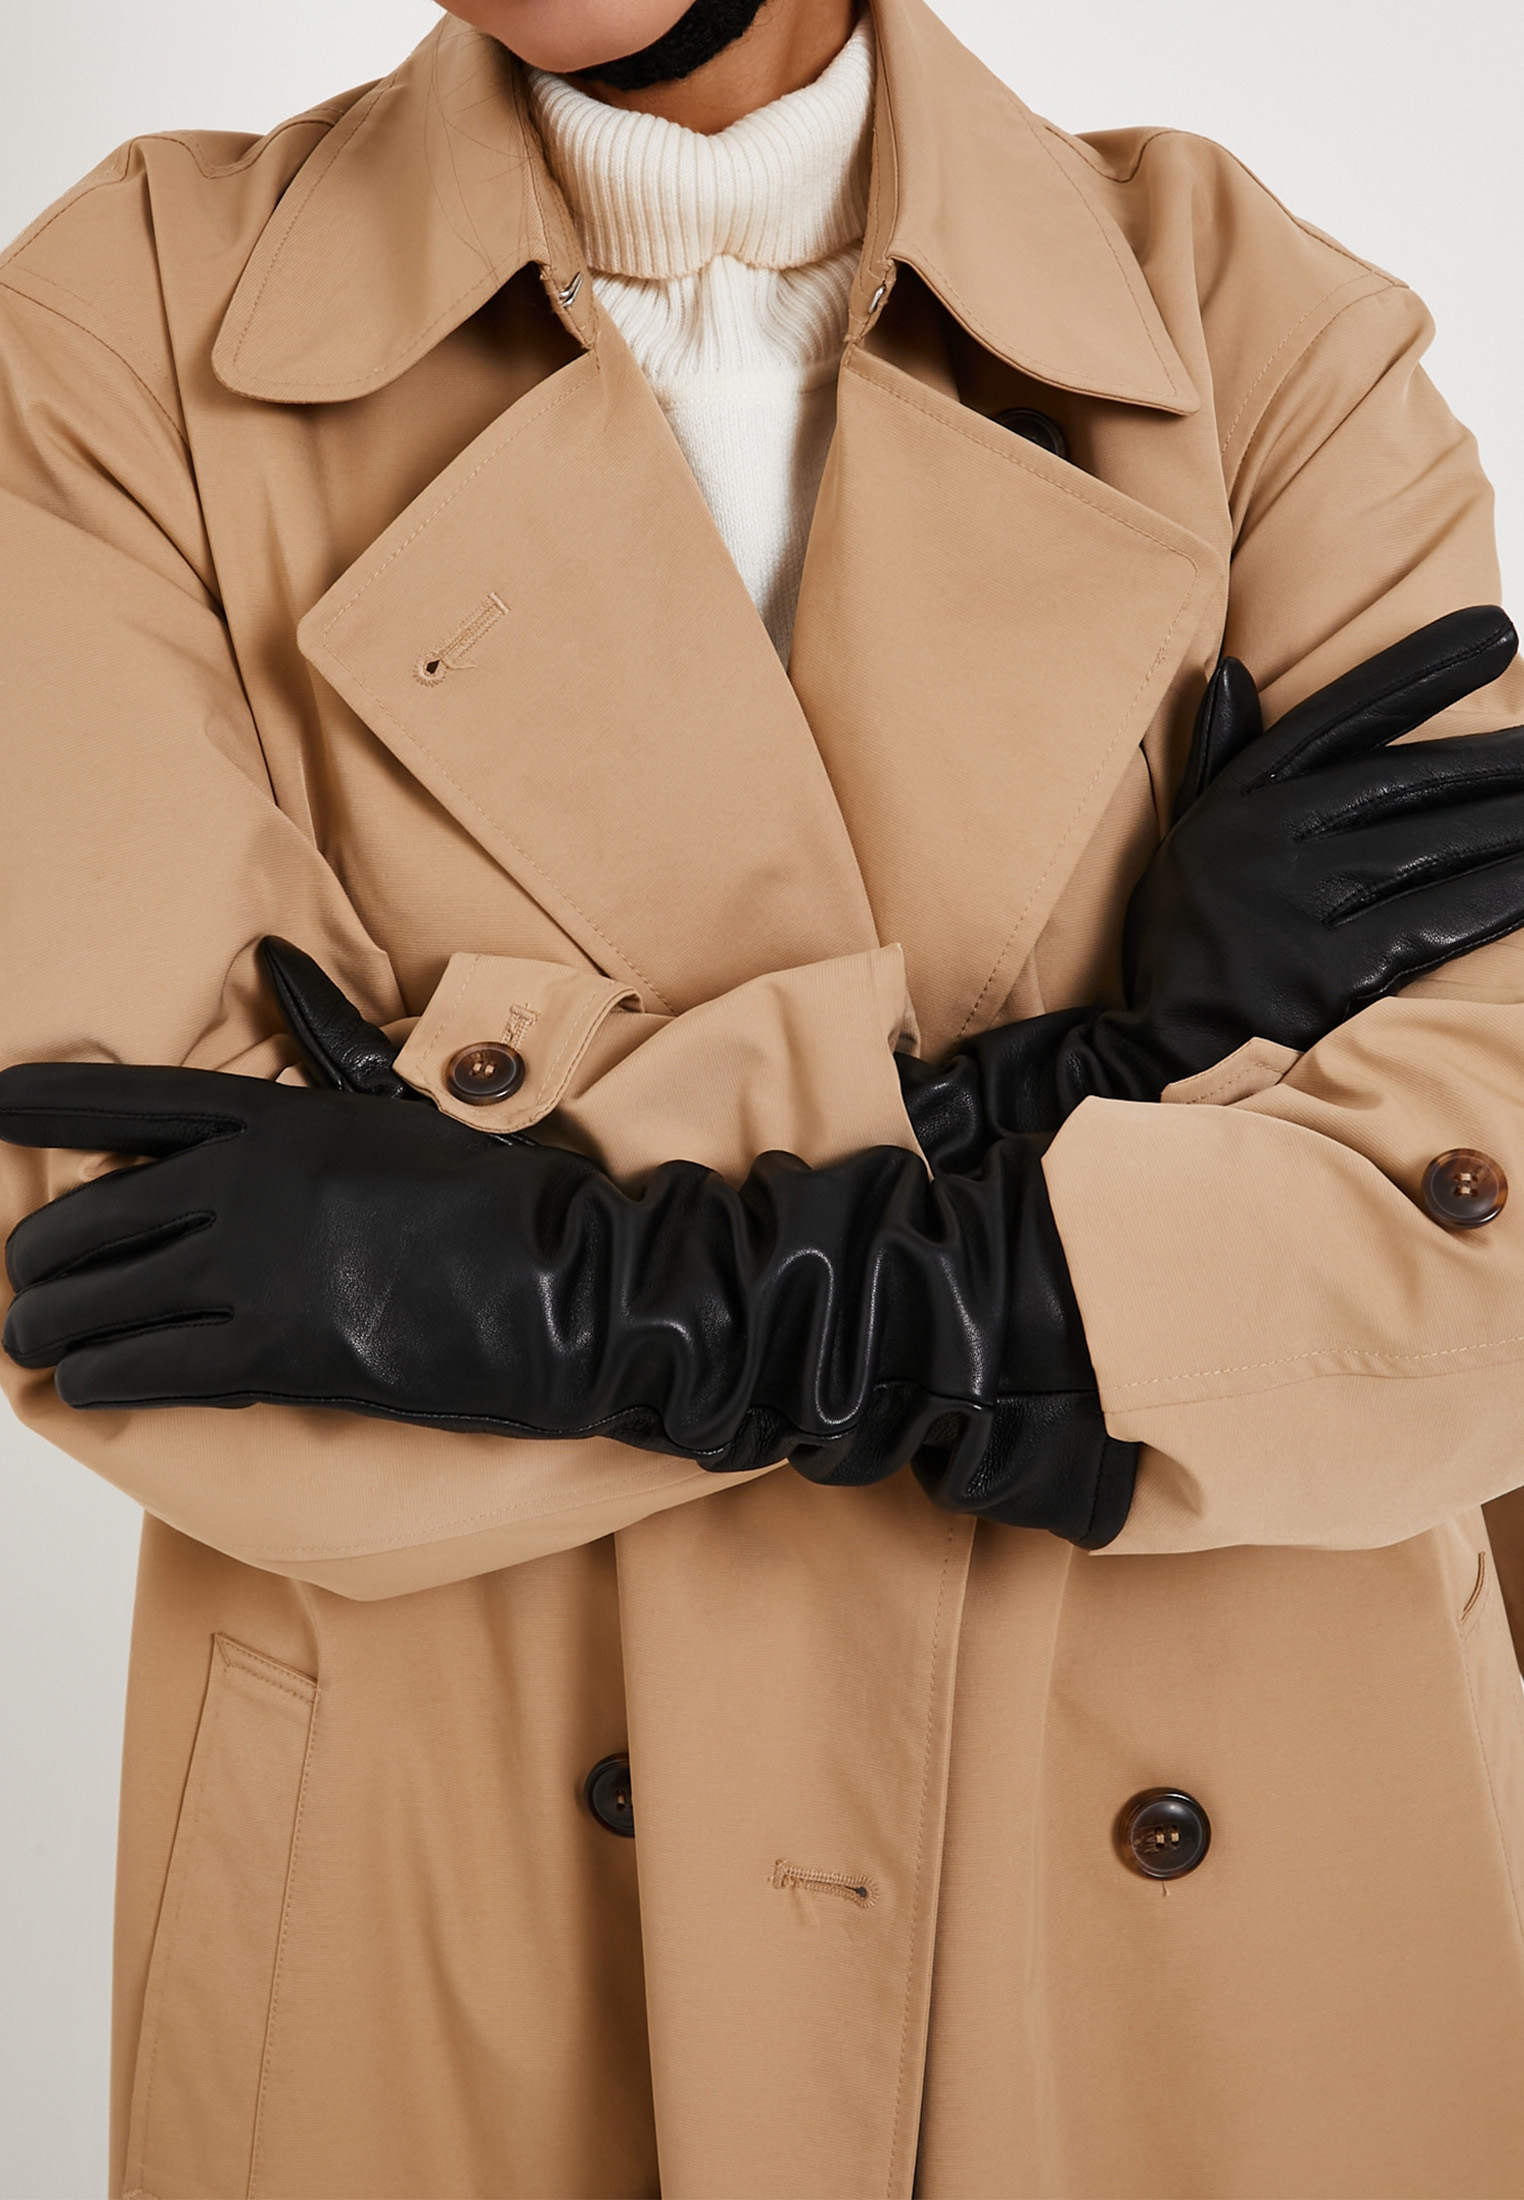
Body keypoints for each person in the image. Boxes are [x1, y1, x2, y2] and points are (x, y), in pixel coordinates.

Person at [2, 0, 1524, 2192]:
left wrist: (556, 1277)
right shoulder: (127, 327)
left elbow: (1462, 1255)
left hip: (1229, 1912)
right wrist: (1119, 1085)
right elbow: (116, 1254)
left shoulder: (1242, 320)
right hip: (471, 1908)